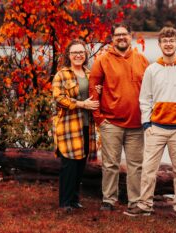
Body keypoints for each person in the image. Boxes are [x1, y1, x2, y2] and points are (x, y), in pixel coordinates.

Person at [125, 27, 176, 220]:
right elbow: (145, 99)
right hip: (155, 128)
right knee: (148, 168)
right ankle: (144, 204)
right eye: (164, 41)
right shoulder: (151, 69)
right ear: (159, 45)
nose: (168, 44)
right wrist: (147, 124)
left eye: (171, 41)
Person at [89, 23, 149, 212]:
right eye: (117, 35)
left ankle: (135, 201)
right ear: (112, 39)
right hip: (111, 122)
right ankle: (109, 199)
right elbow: (93, 89)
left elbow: (150, 91)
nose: (121, 38)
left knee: (136, 165)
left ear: (130, 36)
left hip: (136, 123)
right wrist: (99, 118)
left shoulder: (141, 60)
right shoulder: (102, 60)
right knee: (110, 164)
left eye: (125, 34)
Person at [52, 39, 100, 212]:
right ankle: (64, 202)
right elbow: (59, 98)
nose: (78, 55)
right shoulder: (62, 75)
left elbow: (93, 97)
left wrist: (98, 93)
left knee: (80, 164)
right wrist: (81, 104)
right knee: (69, 165)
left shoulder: (89, 74)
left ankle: (74, 199)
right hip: (69, 127)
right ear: (69, 55)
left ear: (85, 55)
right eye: (75, 53)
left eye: (81, 52)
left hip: (87, 126)